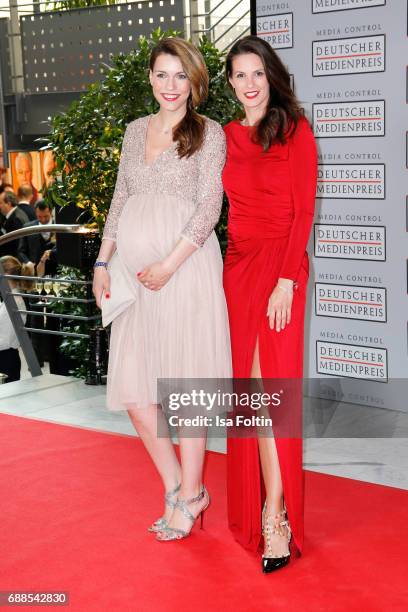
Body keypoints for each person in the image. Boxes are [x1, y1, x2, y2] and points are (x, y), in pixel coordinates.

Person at [92, 37, 231, 541]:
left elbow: (208, 207)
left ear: (194, 82)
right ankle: (177, 486)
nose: (170, 86)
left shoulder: (209, 133)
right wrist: (104, 260)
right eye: (162, 74)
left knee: (188, 387)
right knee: (134, 388)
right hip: (132, 277)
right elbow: (120, 199)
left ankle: (192, 493)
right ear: (150, 77)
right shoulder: (133, 132)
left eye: (180, 76)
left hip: (186, 269)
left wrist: (169, 264)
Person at [222, 36, 317, 573]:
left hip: (280, 269)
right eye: (239, 75)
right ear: (231, 83)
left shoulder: (295, 130)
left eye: (257, 73)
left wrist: (286, 279)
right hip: (237, 270)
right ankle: (265, 505)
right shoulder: (228, 137)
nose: (250, 84)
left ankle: (276, 515)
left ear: (271, 76)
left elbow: (303, 211)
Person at [0, 256, 32, 382]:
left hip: (5, 359)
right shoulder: (8, 299)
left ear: (5, 274)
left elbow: (5, 341)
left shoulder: (15, 302)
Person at [17, 200, 55, 273]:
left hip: (56, 273)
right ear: (36, 213)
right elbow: (21, 251)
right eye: (39, 217)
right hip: (35, 272)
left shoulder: (58, 226)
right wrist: (28, 262)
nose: (43, 219)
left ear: (50, 212)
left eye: (46, 216)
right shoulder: (28, 228)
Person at [0, 192, 29, 258]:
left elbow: (17, 245)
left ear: (8, 203)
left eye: (1, 203)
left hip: (14, 260)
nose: (0, 206)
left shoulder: (16, 219)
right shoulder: (14, 215)